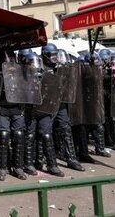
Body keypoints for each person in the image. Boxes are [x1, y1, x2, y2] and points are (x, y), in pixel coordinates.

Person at [44, 44, 85, 172]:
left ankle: (71, 158)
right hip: (46, 105)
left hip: (60, 103)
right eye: (52, 55)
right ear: (45, 55)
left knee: (65, 128)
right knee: (46, 131)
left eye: (56, 55)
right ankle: (50, 162)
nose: (54, 58)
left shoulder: (60, 68)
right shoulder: (40, 67)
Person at [23, 51, 64, 177]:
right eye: (31, 63)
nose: (34, 65)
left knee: (46, 135)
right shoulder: (22, 76)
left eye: (36, 62)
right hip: (30, 111)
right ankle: (28, 163)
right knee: (30, 136)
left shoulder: (45, 74)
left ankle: (52, 165)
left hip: (44, 110)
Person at [0, 48, 27, 180]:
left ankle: (18, 167)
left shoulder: (21, 74)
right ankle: (2, 167)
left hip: (17, 109)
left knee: (19, 136)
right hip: (2, 108)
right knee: (3, 137)